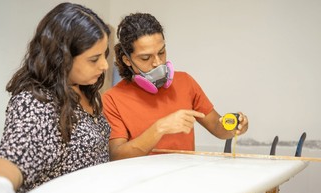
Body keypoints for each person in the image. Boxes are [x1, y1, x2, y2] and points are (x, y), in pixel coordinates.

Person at [0, 2, 111, 193]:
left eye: (105, 55)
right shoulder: (36, 100)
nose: (105, 66)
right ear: (62, 57)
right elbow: (14, 152)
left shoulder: (85, 87)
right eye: (94, 59)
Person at [102, 12, 248, 161]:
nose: (158, 63)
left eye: (162, 52)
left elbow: (218, 129)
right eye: (146, 58)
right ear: (127, 60)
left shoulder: (186, 82)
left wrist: (235, 126)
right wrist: (160, 127)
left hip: (184, 178)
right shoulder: (112, 98)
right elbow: (117, 156)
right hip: (143, 182)